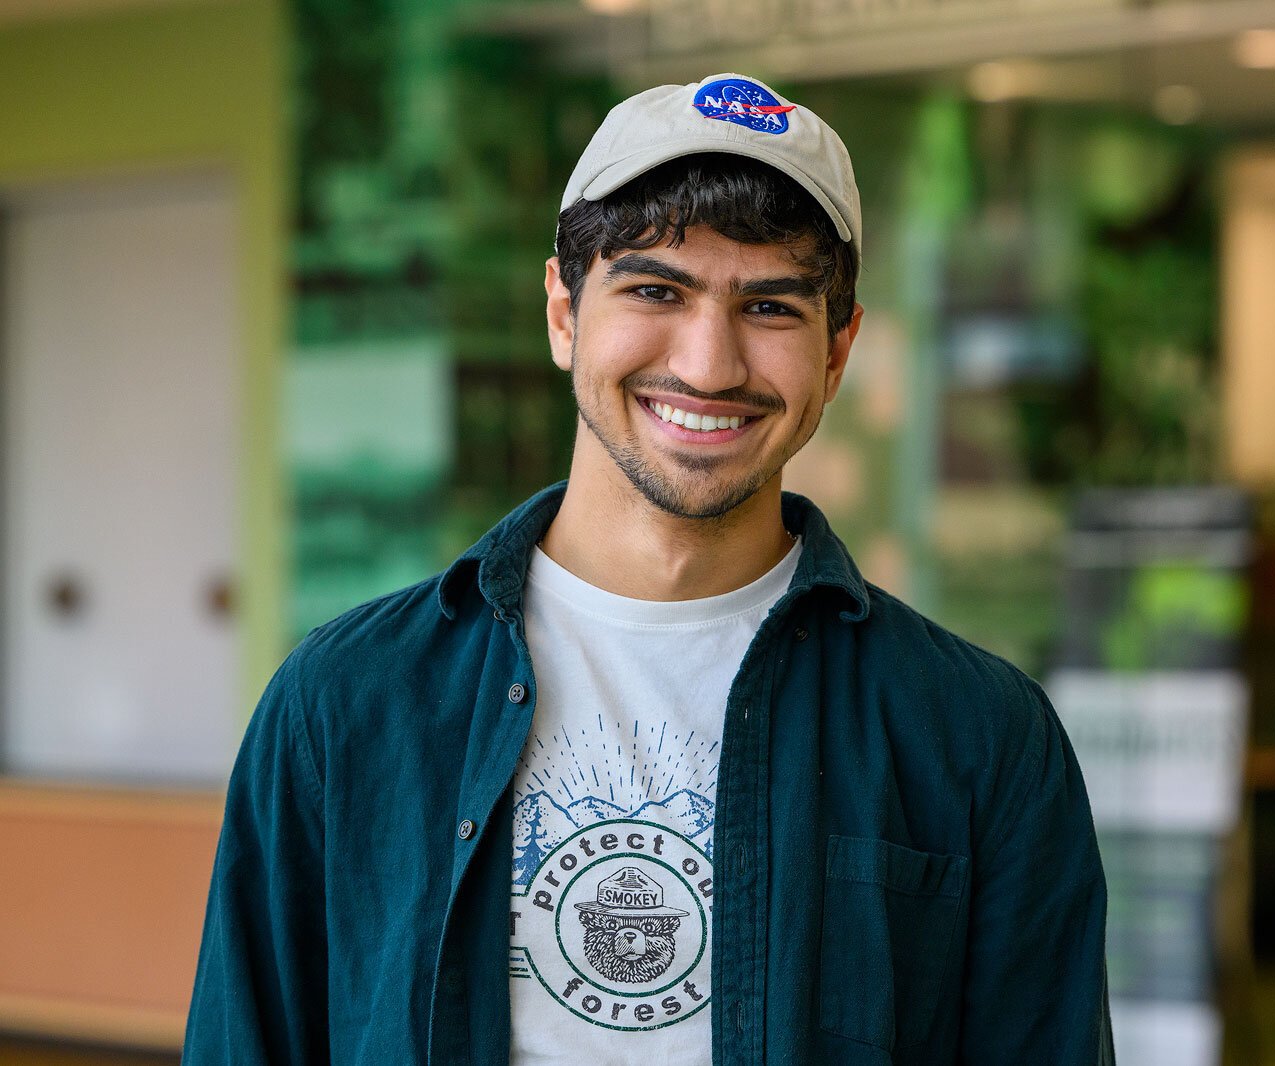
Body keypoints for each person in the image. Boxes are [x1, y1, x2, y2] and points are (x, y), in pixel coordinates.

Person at [185, 73, 1113, 1065]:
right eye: (655, 291)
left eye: (770, 306)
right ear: (562, 311)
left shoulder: (976, 739)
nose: (710, 365)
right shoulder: (345, 704)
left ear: (839, 351)